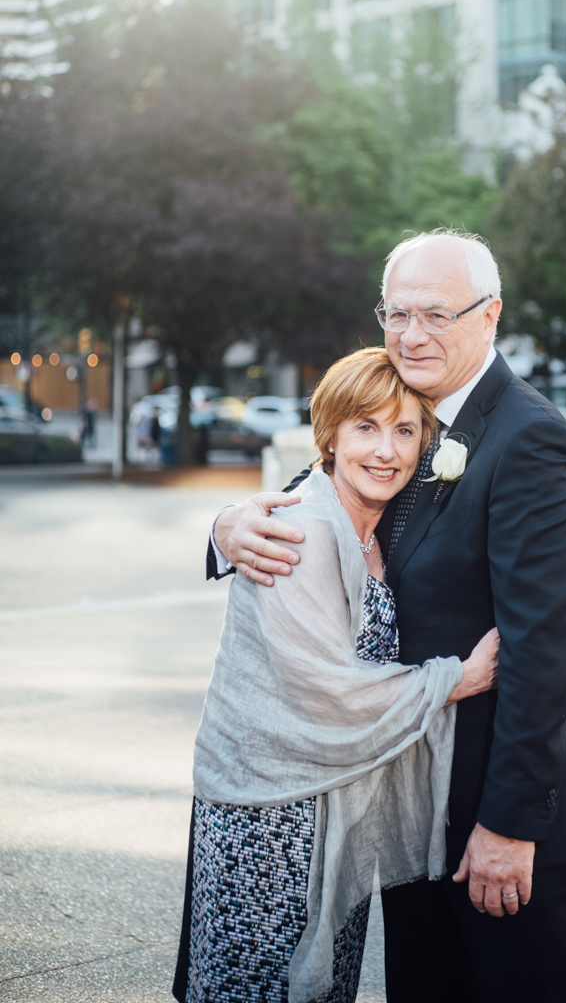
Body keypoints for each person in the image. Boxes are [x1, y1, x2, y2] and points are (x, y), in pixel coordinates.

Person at [210, 231, 566, 1003]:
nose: (410, 335)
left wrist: (509, 827)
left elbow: (542, 652)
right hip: (414, 806)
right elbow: (319, 484)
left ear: (490, 315)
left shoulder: (529, 438)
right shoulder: (403, 415)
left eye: (435, 314)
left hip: (499, 815)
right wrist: (226, 526)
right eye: (396, 314)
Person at [174, 346, 499, 1003]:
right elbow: (328, 696)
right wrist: (457, 679)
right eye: (366, 428)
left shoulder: (393, 521)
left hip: (341, 815)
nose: (386, 450)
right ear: (331, 436)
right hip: (269, 820)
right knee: (260, 988)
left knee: (324, 989)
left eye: (405, 431)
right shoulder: (297, 529)